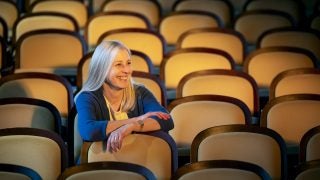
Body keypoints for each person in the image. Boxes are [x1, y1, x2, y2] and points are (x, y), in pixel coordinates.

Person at [75, 40, 174, 153]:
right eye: (118, 65)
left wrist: (132, 126)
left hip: (138, 161)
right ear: (101, 69)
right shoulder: (86, 97)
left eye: (128, 63)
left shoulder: (140, 92)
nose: (127, 70)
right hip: (101, 166)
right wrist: (137, 119)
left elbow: (166, 120)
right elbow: (89, 130)